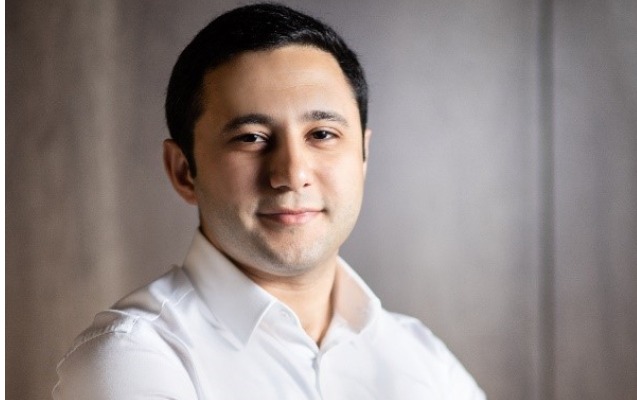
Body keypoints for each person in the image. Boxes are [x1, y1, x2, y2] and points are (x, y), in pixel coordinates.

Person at [53, 3, 486, 399]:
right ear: (184, 170)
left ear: (363, 155)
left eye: (322, 134)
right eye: (251, 138)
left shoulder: (424, 359)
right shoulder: (132, 357)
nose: (292, 174)